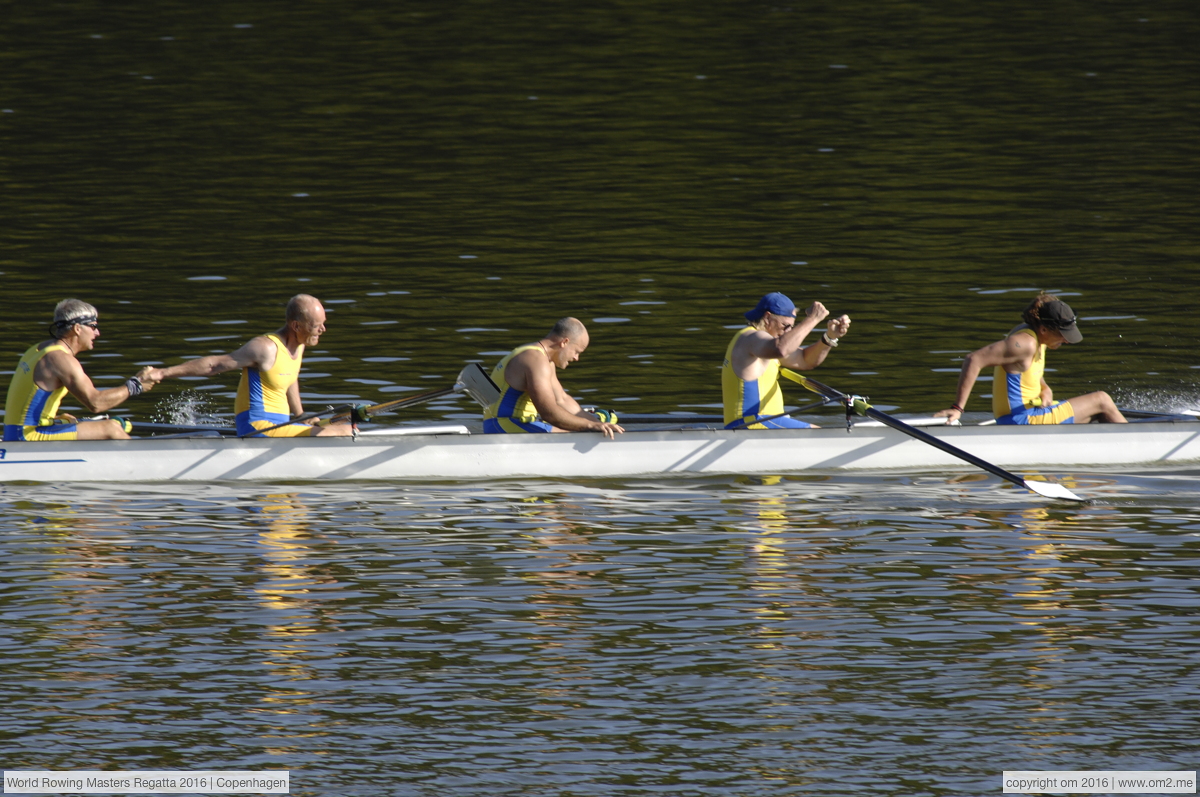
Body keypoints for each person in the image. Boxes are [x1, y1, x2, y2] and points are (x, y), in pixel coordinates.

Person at [143, 294, 354, 437]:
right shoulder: (265, 348)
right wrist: (162, 373)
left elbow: (289, 378)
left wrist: (301, 416)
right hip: (256, 427)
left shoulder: (299, 345)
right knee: (344, 432)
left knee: (343, 425)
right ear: (296, 326)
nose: (323, 330)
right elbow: (214, 366)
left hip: (280, 425)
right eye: (317, 326)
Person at [934, 293, 1127, 425]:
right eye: (1063, 334)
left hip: (1028, 414)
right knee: (1102, 400)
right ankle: (1136, 442)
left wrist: (1045, 388)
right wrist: (957, 408)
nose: (1066, 341)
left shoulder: (1036, 335)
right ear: (1043, 329)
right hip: (1022, 419)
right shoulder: (1024, 343)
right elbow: (973, 359)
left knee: (1095, 413)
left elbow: (1028, 372)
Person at [4, 299, 158, 441]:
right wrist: (135, 385)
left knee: (113, 423)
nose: (97, 333)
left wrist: (54, 419)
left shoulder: (38, 348)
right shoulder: (61, 360)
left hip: (17, 431)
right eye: (93, 326)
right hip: (26, 436)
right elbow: (96, 403)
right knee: (110, 428)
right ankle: (147, 465)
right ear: (77, 328)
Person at [723, 292, 851, 429]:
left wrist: (829, 338)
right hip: (751, 423)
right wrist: (813, 319)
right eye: (785, 325)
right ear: (767, 318)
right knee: (822, 436)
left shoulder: (766, 346)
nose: (788, 331)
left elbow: (806, 360)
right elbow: (781, 348)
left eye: (791, 326)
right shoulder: (751, 338)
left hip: (759, 423)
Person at [483, 317, 624, 438]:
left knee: (578, 432)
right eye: (576, 351)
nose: (576, 358)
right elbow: (549, 413)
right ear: (564, 342)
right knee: (576, 435)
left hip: (515, 424)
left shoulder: (544, 359)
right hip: (503, 426)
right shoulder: (534, 359)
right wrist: (590, 425)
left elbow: (561, 399)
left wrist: (599, 424)